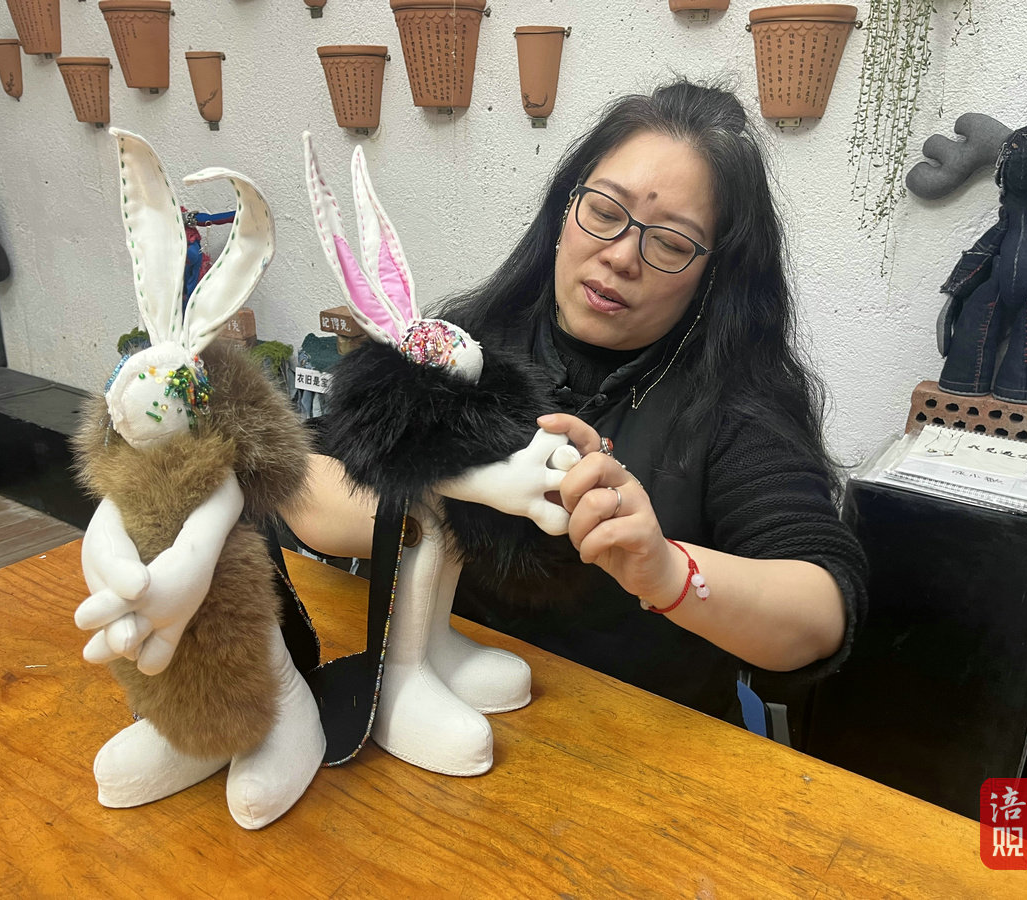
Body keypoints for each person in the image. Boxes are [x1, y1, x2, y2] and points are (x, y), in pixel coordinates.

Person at [285, 78, 867, 727]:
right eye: (604, 212)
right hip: (448, 702)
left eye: (671, 244)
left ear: (713, 273)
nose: (620, 257)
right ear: (565, 209)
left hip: (635, 741)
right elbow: (302, 476)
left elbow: (820, 613)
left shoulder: (736, 404)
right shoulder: (469, 343)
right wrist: (469, 493)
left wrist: (666, 571)